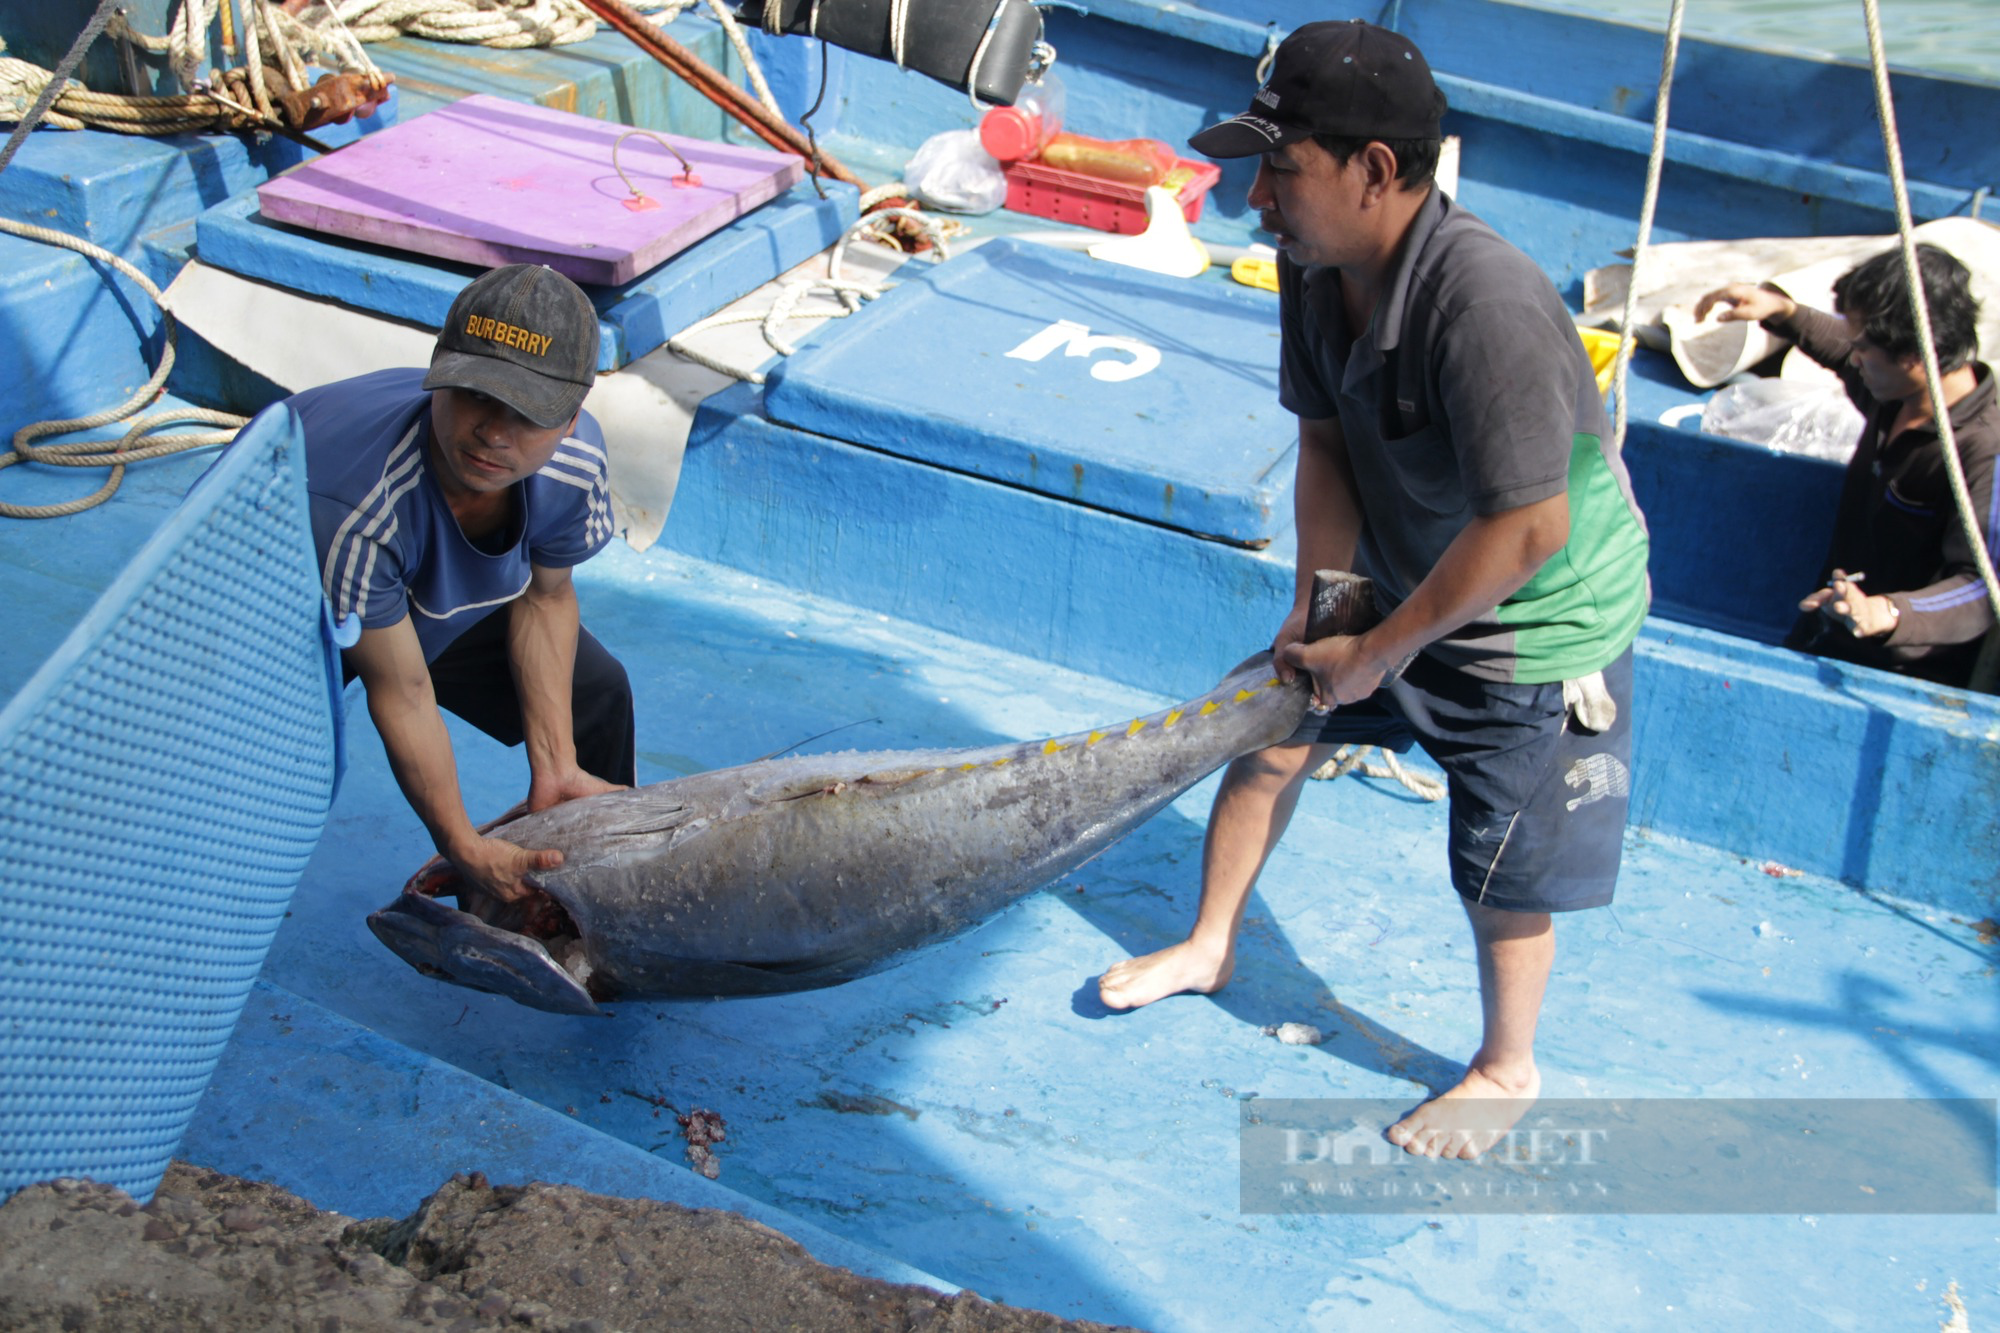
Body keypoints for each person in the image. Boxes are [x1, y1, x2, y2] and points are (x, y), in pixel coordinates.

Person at [1096, 20, 1652, 1159]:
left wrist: (1381, 649)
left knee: (1496, 859)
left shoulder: (1482, 305)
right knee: (1269, 730)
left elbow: (1530, 527)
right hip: (1407, 573)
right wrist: (1324, 612)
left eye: (1280, 170)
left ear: (1376, 170)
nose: (1255, 203)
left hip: (1534, 615)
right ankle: (1210, 942)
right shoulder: (1319, 266)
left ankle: (1506, 1066)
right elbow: (1326, 445)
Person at [288, 262, 635, 914]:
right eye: (477, 395)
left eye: (527, 413)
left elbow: (545, 596)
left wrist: (554, 765)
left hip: (412, 584)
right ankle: (486, 875)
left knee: (596, 691)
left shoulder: (575, 463)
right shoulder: (360, 503)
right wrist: (462, 843)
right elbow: (402, 687)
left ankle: (577, 895)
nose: (494, 434)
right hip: (288, 589)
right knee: (280, 772)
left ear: (569, 420)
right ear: (437, 371)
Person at [1694, 244, 1996, 686]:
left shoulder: (1983, 450)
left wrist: (1887, 612)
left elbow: (1983, 586)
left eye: (1864, 348)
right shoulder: (1897, 393)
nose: (1853, 358)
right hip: (1827, 630)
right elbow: (1843, 351)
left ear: (1915, 355)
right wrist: (1784, 312)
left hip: (1897, 674)